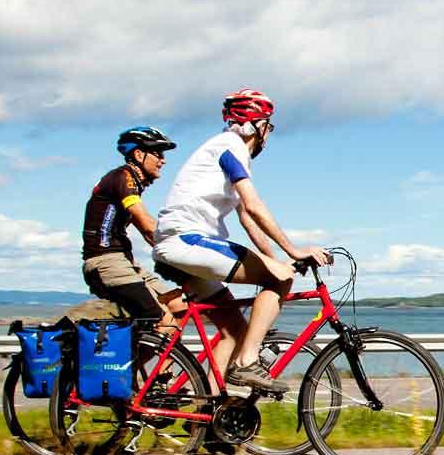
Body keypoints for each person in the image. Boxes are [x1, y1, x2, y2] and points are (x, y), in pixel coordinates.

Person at [151, 88, 330, 394]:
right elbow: (253, 205)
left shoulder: (226, 151)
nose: (268, 135)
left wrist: (273, 258)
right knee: (280, 280)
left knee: (235, 331)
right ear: (256, 125)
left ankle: (210, 408)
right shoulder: (231, 146)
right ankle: (247, 363)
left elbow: (246, 220)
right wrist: (293, 252)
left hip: (184, 243)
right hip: (187, 240)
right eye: (268, 126)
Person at [81, 126, 186, 337]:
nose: (163, 160)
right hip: (106, 263)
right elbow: (147, 225)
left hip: (124, 262)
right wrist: (186, 251)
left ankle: (152, 368)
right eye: (158, 153)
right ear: (139, 154)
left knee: (178, 305)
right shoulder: (124, 177)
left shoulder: (132, 183)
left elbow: (149, 234)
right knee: (162, 321)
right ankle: (132, 369)